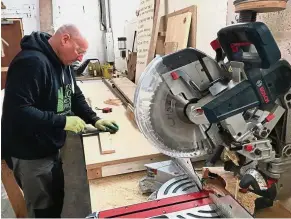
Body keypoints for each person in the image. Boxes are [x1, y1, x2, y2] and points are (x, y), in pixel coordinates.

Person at [1, 24, 119, 218]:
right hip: (30, 152)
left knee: (56, 199)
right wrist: (62, 121)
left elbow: (74, 95)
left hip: (50, 145)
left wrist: (94, 118)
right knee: (42, 209)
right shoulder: (31, 63)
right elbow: (19, 112)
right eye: (79, 51)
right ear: (65, 40)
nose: (81, 57)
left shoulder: (63, 62)